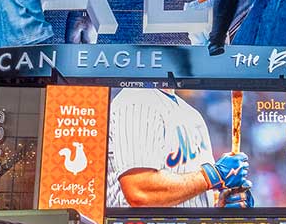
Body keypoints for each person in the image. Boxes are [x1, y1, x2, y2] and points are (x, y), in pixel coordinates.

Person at [105, 88, 252, 208]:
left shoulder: (191, 114)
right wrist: (212, 175)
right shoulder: (136, 101)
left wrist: (222, 203)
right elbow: (140, 191)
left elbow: (194, 192)